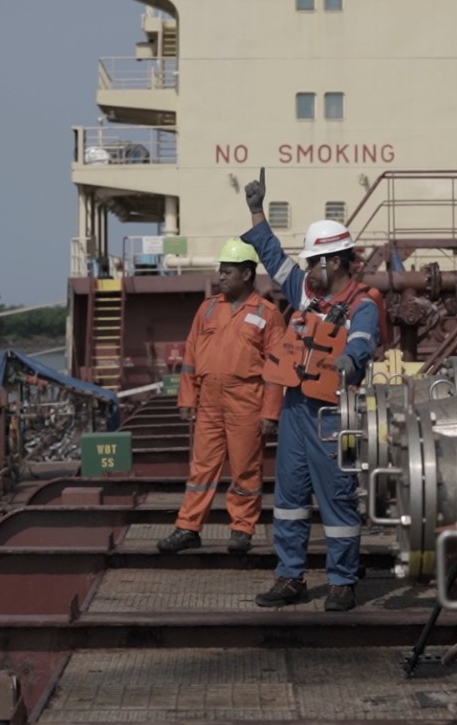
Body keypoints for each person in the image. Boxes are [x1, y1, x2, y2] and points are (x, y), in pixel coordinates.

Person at [240, 173, 380, 612]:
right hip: (298, 408)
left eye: (315, 262)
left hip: (335, 414)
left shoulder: (364, 305)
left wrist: (349, 360)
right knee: (289, 499)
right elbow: (272, 256)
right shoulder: (306, 292)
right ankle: (289, 577)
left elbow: (363, 339)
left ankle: (341, 581)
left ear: (335, 262)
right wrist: (257, 210)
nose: (307, 271)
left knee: (338, 496)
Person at [157, 238, 287, 554]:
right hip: (210, 401)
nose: (220, 276)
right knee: (201, 468)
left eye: (227, 271)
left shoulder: (267, 314)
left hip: (247, 400)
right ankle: (188, 528)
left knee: (245, 468)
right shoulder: (208, 308)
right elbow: (190, 355)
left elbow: (276, 369)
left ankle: (241, 530)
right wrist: (188, 398)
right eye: (221, 270)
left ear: (246, 274)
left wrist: (270, 413)